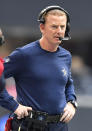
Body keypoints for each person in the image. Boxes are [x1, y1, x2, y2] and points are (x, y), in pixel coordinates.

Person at [2, 5, 77, 131]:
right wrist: (13, 106)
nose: (59, 31)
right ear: (42, 27)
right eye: (54, 26)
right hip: (29, 126)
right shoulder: (24, 55)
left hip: (59, 126)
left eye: (62, 27)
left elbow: (68, 83)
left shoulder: (66, 56)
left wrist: (72, 103)